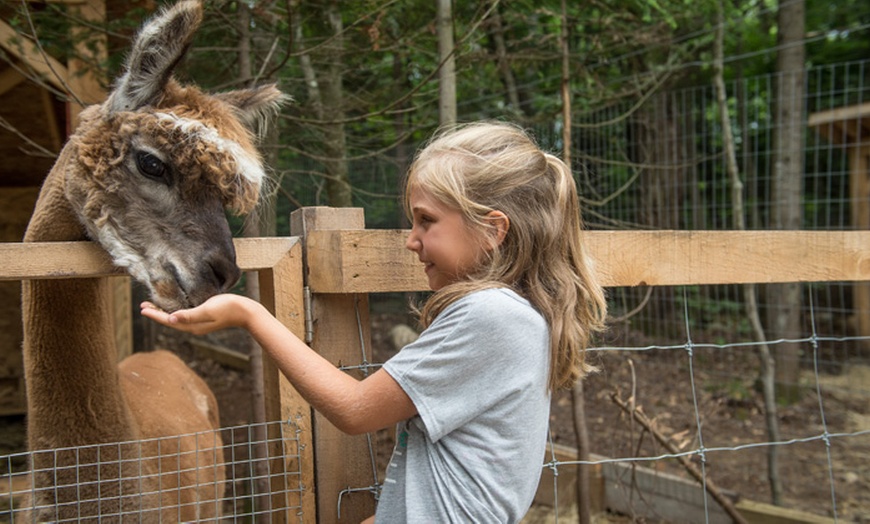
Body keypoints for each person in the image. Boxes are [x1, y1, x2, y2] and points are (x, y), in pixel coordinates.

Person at [141, 121, 607, 523]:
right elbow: (459, 479)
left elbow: (356, 410)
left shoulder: (492, 315)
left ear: (493, 229)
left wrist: (250, 313)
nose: (411, 239)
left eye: (426, 221)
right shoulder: (519, 316)